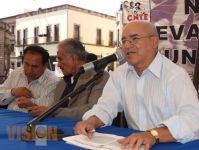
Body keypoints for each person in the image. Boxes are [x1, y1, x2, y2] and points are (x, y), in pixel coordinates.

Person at [74, 21, 199, 150]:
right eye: (124, 41)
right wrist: (91, 122)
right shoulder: (120, 74)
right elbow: (105, 107)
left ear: (154, 42)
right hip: (134, 145)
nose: (127, 45)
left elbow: (194, 119)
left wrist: (153, 134)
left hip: (170, 145)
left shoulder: (175, 75)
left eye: (135, 38)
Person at [28, 38, 109, 120]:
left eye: (60, 59)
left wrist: (53, 112)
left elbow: (92, 110)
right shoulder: (62, 83)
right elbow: (54, 108)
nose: (58, 65)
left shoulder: (99, 77)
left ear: (73, 59)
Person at [0, 45, 59, 113]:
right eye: (26, 64)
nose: (29, 70)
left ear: (45, 66)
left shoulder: (53, 81)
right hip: (8, 116)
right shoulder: (16, 73)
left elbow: (49, 107)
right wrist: (13, 92)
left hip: (34, 121)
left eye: (34, 66)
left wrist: (31, 103)